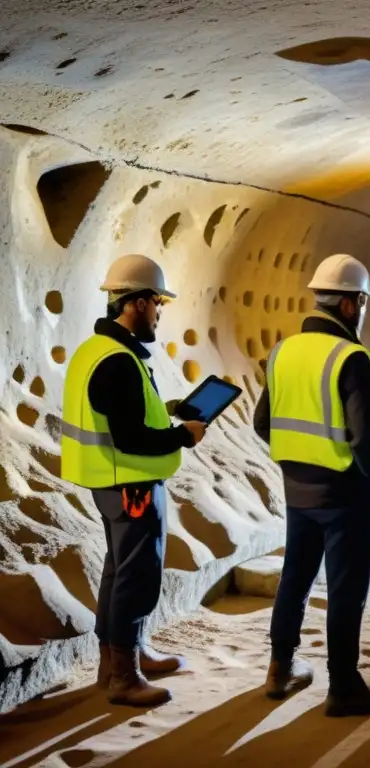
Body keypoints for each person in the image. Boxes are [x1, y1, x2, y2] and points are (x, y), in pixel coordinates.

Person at [61, 254, 207, 707]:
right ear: (139, 303)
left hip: (111, 481)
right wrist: (182, 435)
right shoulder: (119, 360)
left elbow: (124, 416)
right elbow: (130, 437)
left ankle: (120, 659)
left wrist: (171, 411)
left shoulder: (97, 350)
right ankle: (124, 675)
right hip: (131, 482)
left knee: (120, 571)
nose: (160, 313)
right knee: (137, 576)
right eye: (158, 303)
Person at [253, 253, 370, 717]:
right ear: (351, 305)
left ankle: (279, 667)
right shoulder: (351, 356)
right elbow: (364, 435)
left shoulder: (283, 350)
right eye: (363, 303)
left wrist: (299, 457)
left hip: (297, 489)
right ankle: (344, 685)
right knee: (345, 590)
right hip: (344, 494)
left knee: (295, 576)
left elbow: (261, 422)